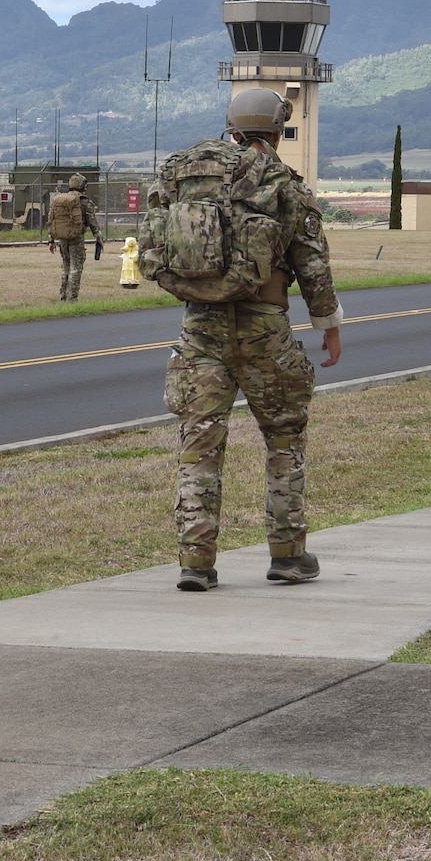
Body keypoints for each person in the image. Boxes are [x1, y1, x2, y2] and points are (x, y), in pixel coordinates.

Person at [153, 88, 342, 591]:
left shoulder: (190, 179)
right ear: (277, 130)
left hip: (201, 326)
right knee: (284, 440)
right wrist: (329, 327)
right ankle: (288, 554)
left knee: (199, 447)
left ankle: (196, 561)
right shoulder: (285, 183)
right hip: (265, 329)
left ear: (232, 129)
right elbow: (312, 263)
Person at [47, 173, 103, 301]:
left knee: (65, 265)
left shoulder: (59, 200)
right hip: (76, 238)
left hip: (62, 238)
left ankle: (63, 294)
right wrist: (98, 236)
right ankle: (72, 297)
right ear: (83, 186)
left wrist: (51, 240)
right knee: (76, 267)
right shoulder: (83, 201)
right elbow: (92, 220)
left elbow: (51, 219)